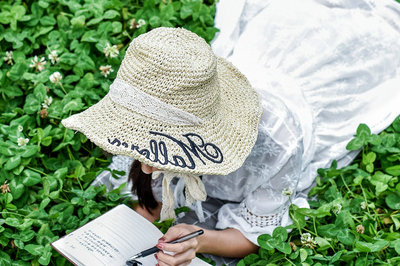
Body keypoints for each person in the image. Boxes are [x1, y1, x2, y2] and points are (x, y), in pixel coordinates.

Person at [62, 0, 400, 265]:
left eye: (153, 155)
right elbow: (147, 198)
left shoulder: (278, 142)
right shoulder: (154, 103)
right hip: (268, 46)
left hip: (329, 64)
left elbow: (254, 237)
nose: (147, 168)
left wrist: (200, 240)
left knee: (373, 39)